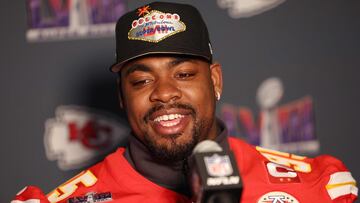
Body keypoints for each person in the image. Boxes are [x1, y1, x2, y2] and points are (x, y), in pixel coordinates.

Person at [12, 2, 358, 203]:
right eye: (142, 80)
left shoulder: (315, 188)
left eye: (184, 74)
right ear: (122, 97)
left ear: (215, 81)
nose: (164, 93)